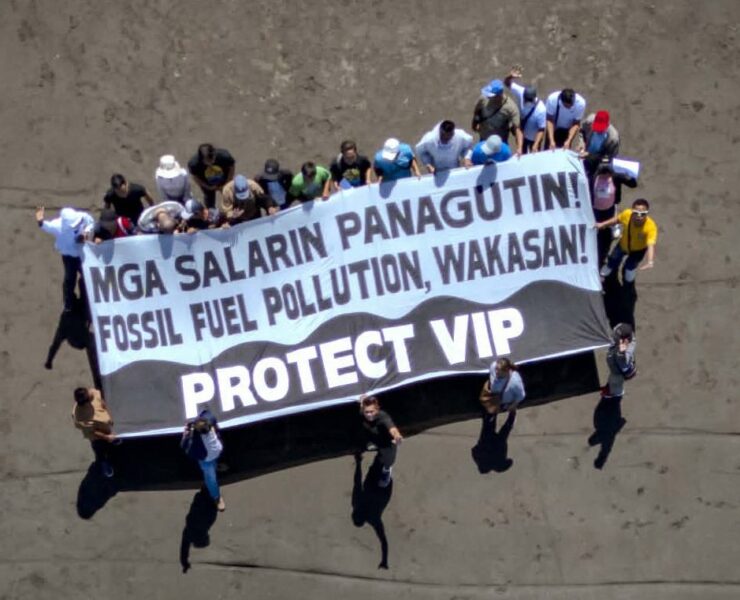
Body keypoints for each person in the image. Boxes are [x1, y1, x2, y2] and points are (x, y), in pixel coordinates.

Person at [36, 206, 94, 311]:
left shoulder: (81, 217)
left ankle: (86, 298)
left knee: (87, 276)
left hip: (82, 254)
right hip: (69, 257)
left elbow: (91, 222)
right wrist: (40, 220)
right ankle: (69, 303)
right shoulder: (57, 226)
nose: (77, 225)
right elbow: (45, 226)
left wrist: (86, 232)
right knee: (70, 279)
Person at [596, 198, 658, 282]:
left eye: (642, 214)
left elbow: (651, 245)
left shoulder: (651, 227)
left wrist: (650, 261)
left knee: (631, 265)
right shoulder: (627, 214)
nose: (639, 216)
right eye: (636, 213)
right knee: (613, 259)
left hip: (638, 250)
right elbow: (617, 219)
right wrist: (603, 224)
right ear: (632, 211)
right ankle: (608, 268)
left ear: (647, 213)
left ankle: (629, 272)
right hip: (623, 245)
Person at [591, 160, 637, 265]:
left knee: (610, 222)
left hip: (610, 207)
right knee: (596, 227)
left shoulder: (616, 177)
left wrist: (628, 174)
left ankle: (613, 227)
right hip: (595, 208)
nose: (605, 176)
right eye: (602, 173)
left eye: (607, 173)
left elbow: (633, 184)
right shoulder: (592, 178)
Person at [182, 410, 226, 511]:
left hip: (209, 458)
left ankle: (216, 497)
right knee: (211, 472)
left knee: (211, 477)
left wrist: (185, 435)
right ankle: (216, 496)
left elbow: (186, 447)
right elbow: (207, 413)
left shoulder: (195, 438)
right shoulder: (210, 420)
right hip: (214, 453)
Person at [72, 387, 118, 478]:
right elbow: (93, 432)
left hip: (107, 428)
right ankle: (104, 463)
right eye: (89, 396)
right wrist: (107, 437)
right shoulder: (80, 417)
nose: (91, 394)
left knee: (112, 443)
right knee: (100, 450)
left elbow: (101, 402)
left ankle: (113, 441)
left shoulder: (92, 393)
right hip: (98, 438)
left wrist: (109, 415)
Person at [358, 395, 403, 488]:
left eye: (371, 411)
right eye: (367, 412)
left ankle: (386, 472)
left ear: (377, 410)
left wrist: (397, 436)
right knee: (377, 454)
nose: (369, 415)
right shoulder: (362, 413)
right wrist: (362, 401)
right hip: (375, 440)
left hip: (388, 445)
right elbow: (362, 404)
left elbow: (392, 428)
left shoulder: (383, 417)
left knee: (388, 462)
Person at [471, 78, 523, 154]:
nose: (488, 97)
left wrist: (519, 148)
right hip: (484, 140)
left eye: (491, 95)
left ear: (499, 95)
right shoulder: (483, 99)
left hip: (500, 144)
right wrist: (474, 125)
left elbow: (517, 129)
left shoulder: (511, 108)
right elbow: (477, 112)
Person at [503, 66, 547, 153]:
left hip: (534, 138)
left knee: (534, 157)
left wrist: (535, 144)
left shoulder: (541, 110)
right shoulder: (521, 92)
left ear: (533, 99)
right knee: (521, 153)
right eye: (525, 99)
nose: (526, 101)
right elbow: (507, 83)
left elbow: (541, 129)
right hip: (521, 134)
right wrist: (510, 76)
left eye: (528, 100)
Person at [480, 358, 526, 434]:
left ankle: (511, 417)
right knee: (493, 409)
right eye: (496, 369)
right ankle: (492, 415)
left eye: (498, 370)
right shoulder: (493, 366)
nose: (496, 372)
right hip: (495, 398)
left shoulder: (515, 381)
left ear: (506, 371)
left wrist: (513, 404)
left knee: (512, 410)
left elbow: (521, 395)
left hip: (508, 402)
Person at [187, 143, 235, 209]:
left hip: (224, 180)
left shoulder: (224, 156)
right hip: (207, 184)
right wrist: (208, 187)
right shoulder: (194, 164)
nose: (211, 163)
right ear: (201, 159)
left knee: (229, 195)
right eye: (207, 161)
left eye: (212, 159)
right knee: (209, 202)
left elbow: (231, 167)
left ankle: (233, 207)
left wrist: (227, 183)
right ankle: (211, 211)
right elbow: (195, 177)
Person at [580, 111, 620, 182]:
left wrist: (590, 156)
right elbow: (581, 131)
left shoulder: (613, 139)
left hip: (598, 163)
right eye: (596, 128)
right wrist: (582, 143)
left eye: (600, 129)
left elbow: (608, 159)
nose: (598, 131)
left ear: (607, 125)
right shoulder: (589, 121)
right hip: (585, 155)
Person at [602, 323, 637, 400]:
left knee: (615, 376)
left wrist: (620, 353)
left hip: (623, 370)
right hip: (617, 358)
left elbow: (624, 365)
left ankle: (615, 392)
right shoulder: (622, 333)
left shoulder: (625, 352)